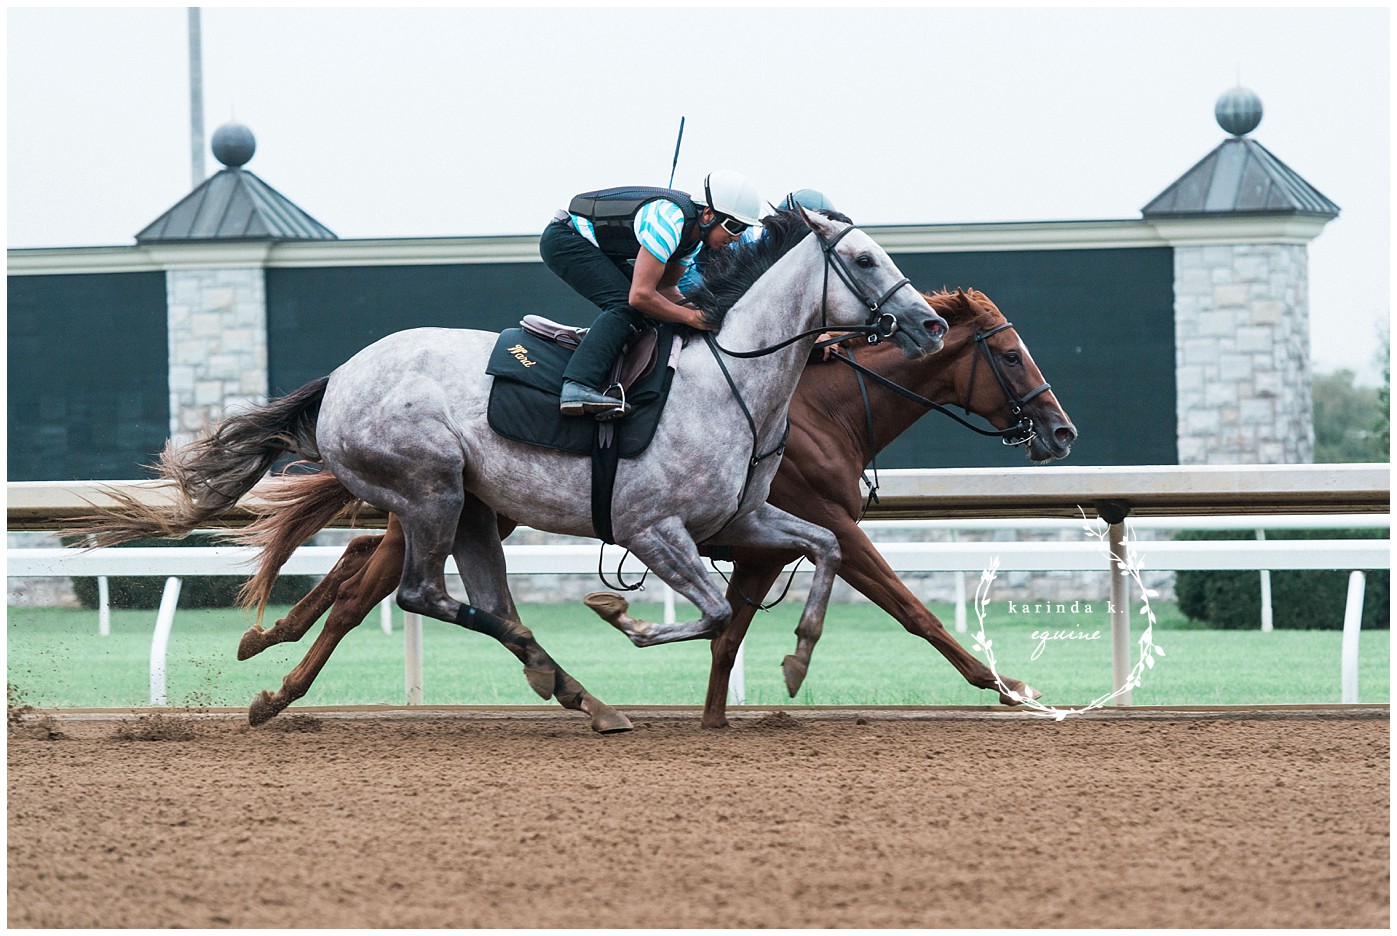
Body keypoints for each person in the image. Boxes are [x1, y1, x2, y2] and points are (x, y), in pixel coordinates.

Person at [540, 170, 766, 419]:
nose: (736, 237)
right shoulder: (670, 222)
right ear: (708, 214)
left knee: (654, 314)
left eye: (743, 229)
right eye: (733, 226)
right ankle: (577, 385)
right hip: (564, 240)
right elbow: (640, 296)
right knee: (624, 305)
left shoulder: (693, 240)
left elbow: (666, 290)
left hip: (593, 246)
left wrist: (705, 314)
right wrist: (691, 318)